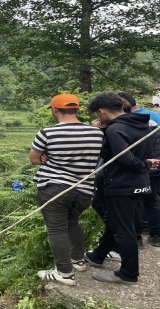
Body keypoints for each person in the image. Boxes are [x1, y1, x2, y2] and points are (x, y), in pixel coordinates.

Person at [83, 93, 160, 285]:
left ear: (102, 111)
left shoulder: (115, 129)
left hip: (121, 184)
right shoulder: (141, 123)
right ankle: (98, 255)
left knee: (123, 229)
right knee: (116, 222)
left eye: (97, 114)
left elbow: (125, 158)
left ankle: (128, 273)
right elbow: (118, 152)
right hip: (139, 183)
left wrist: (144, 164)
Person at [30, 93, 103, 286]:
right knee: (72, 223)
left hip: (54, 189)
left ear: (54, 110)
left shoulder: (48, 133)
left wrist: (46, 156)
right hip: (84, 190)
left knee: (56, 229)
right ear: (78, 109)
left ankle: (64, 273)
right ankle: (77, 261)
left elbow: (34, 159)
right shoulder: (96, 133)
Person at [118, 92, 160, 247]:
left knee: (136, 203)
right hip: (156, 165)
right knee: (153, 201)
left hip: (140, 167)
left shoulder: (125, 125)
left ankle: (137, 237)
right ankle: (155, 235)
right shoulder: (151, 120)